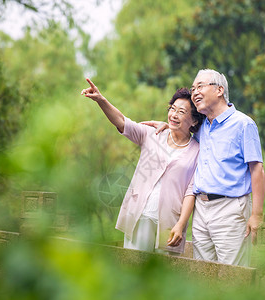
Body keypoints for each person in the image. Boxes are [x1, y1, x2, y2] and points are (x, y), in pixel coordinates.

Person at [145, 69, 265, 266]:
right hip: (200, 210)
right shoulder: (203, 127)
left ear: (219, 90)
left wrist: (256, 215)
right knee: (203, 274)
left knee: (231, 274)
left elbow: (257, 170)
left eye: (200, 86)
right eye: (193, 89)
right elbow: (184, 131)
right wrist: (168, 125)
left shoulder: (243, 124)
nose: (194, 93)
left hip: (231, 209)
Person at [81, 78, 204, 255]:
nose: (174, 115)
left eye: (182, 112)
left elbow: (190, 192)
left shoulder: (197, 151)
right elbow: (122, 122)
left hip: (169, 223)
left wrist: (181, 224)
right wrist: (101, 100)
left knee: (162, 276)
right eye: (172, 109)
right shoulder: (153, 134)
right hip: (139, 215)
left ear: (193, 121)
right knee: (134, 268)